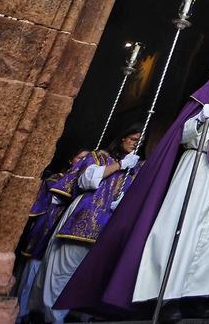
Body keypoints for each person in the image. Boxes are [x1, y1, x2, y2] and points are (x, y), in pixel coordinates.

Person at [57, 0, 209, 319]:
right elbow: (183, 136)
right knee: (182, 229)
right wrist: (200, 121)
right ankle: (168, 295)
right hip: (197, 171)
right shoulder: (205, 99)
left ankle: (200, 294)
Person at [35, 128, 142, 323]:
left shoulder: (135, 168)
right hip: (83, 218)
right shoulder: (99, 157)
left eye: (140, 141)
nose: (137, 143)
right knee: (63, 272)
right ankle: (53, 318)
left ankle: (79, 317)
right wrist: (120, 165)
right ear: (122, 138)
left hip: (109, 227)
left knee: (91, 275)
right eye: (134, 138)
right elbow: (86, 181)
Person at [14, 151, 87, 324]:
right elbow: (54, 198)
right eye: (79, 158)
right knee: (31, 275)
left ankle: (41, 314)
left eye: (86, 159)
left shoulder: (84, 185)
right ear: (71, 160)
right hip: (46, 231)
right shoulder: (57, 179)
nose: (83, 161)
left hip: (63, 236)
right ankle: (20, 314)